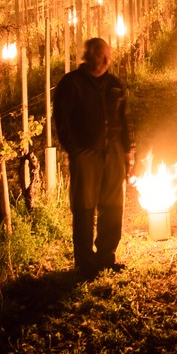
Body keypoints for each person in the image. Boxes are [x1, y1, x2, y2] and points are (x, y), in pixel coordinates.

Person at [53, 37, 135, 278]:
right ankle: (85, 260)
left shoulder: (114, 84)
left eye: (108, 55)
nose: (106, 60)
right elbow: (62, 119)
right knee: (84, 206)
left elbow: (125, 118)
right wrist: (74, 149)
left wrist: (128, 149)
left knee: (112, 205)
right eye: (101, 55)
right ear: (88, 56)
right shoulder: (72, 84)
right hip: (86, 153)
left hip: (113, 152)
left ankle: (106, 256)